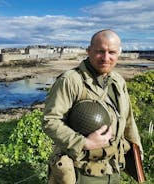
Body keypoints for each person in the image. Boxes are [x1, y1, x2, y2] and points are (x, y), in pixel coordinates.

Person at [43, 29, 143, 184]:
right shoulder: (70, 81)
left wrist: (137, 154)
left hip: (113, 168)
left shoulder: (118, 81)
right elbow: (50, 121)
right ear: (89, 51)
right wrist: (84, 143)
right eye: (100, 51)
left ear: (119, 53)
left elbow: (128, 120)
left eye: (112, 52)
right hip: (81, 171)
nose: (106, 58)